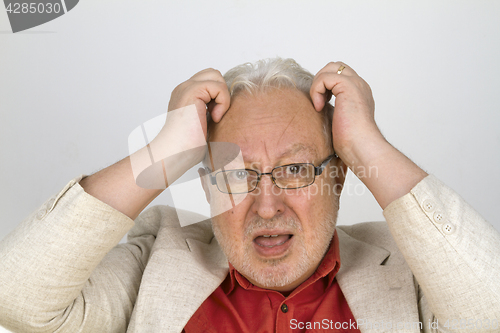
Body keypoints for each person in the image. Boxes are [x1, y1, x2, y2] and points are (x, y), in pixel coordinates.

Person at [0, 58, 499, 333]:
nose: (266, 205)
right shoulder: (158, 260)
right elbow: (18, 300)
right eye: (236, 176)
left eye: (297, 169)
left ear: (339, 177)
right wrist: (164, 151)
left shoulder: (413, 275)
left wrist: (366, 143)